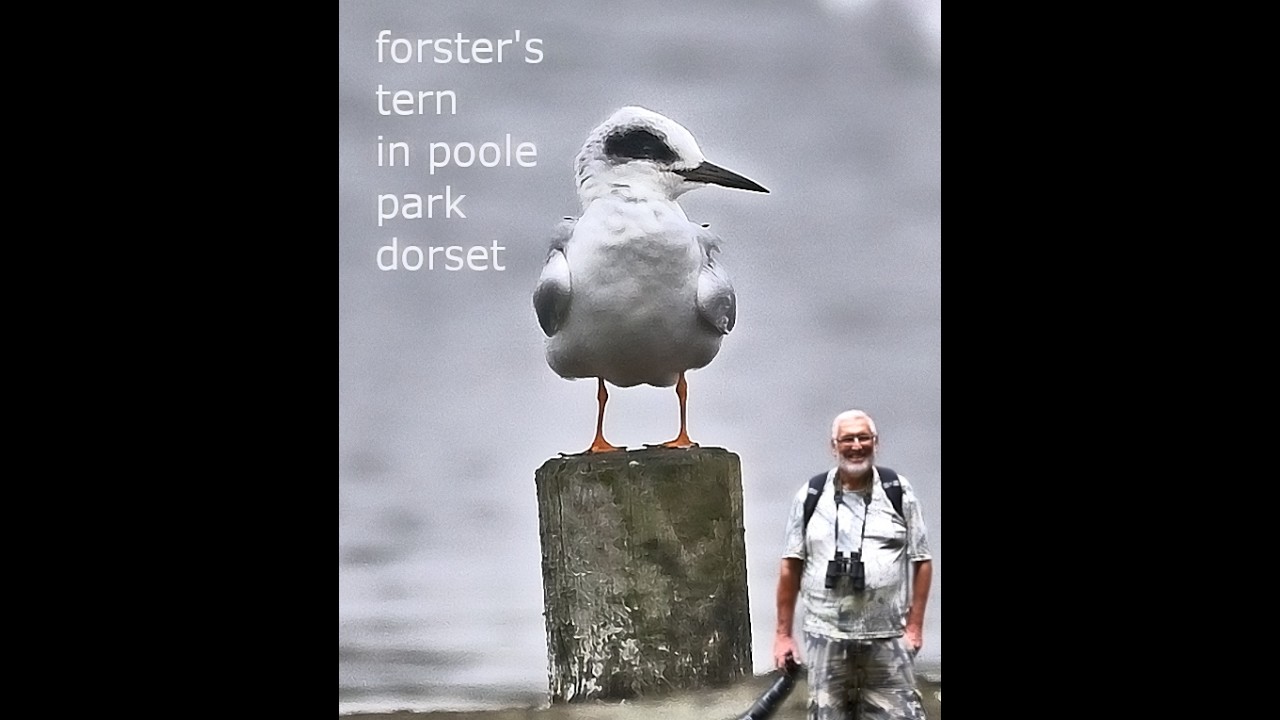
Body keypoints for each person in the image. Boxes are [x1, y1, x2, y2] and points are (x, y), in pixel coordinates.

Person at [772, 409, 933, 719]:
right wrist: (783, 635)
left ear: (876, 442)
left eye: (864, 438)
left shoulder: (897, 491)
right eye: (848, 439)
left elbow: (922, 561)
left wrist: (914, 627)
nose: (856, 446)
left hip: (886, 639)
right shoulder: (811, 495)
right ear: (834, 446)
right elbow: (790, 567)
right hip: (826, 638)